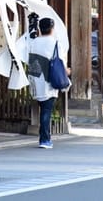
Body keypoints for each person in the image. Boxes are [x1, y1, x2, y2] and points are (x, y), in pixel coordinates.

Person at [25, 17, 68, 149]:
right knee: (46, 110)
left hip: (35, 78)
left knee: (43, 108)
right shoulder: (55, 43)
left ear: (40, 29)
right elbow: (61, 62)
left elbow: (29, 60)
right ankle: (44, 139)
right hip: (49, 80)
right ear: (52, 28)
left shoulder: (33, 42)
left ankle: (45, 137)